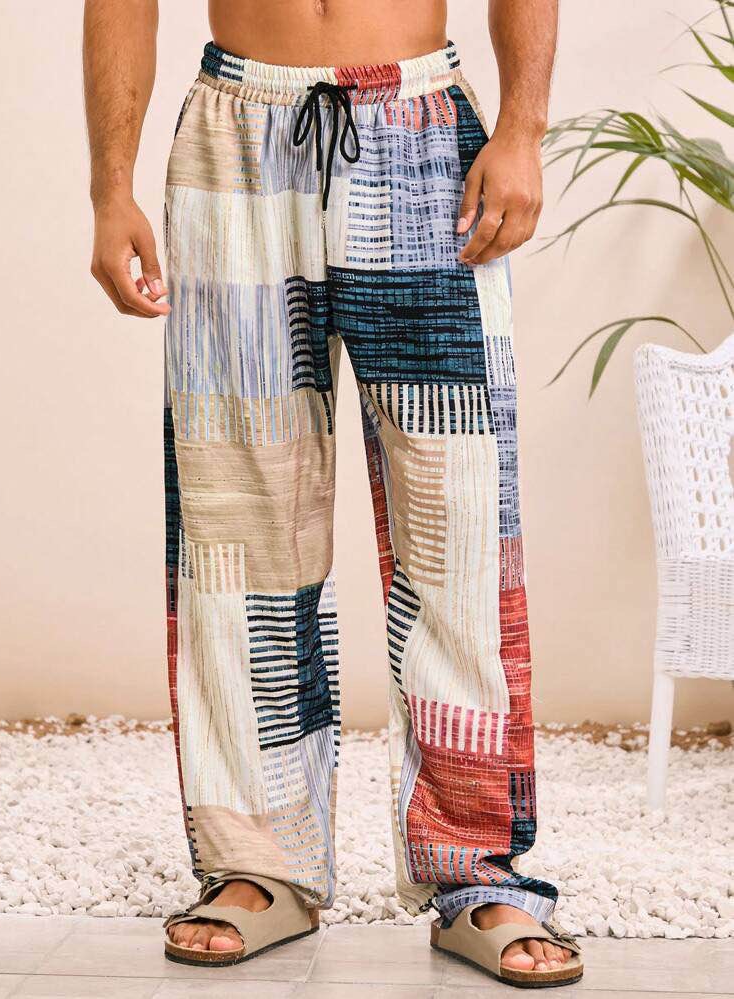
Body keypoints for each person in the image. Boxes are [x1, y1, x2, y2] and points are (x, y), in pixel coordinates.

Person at [83, 0, 583, 987]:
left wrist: (522, 130)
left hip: (421, 135)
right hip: (235, 134)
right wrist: (110, 189)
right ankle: (257, 863)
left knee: (457, 521)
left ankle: (475, 869)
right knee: (237, 525)